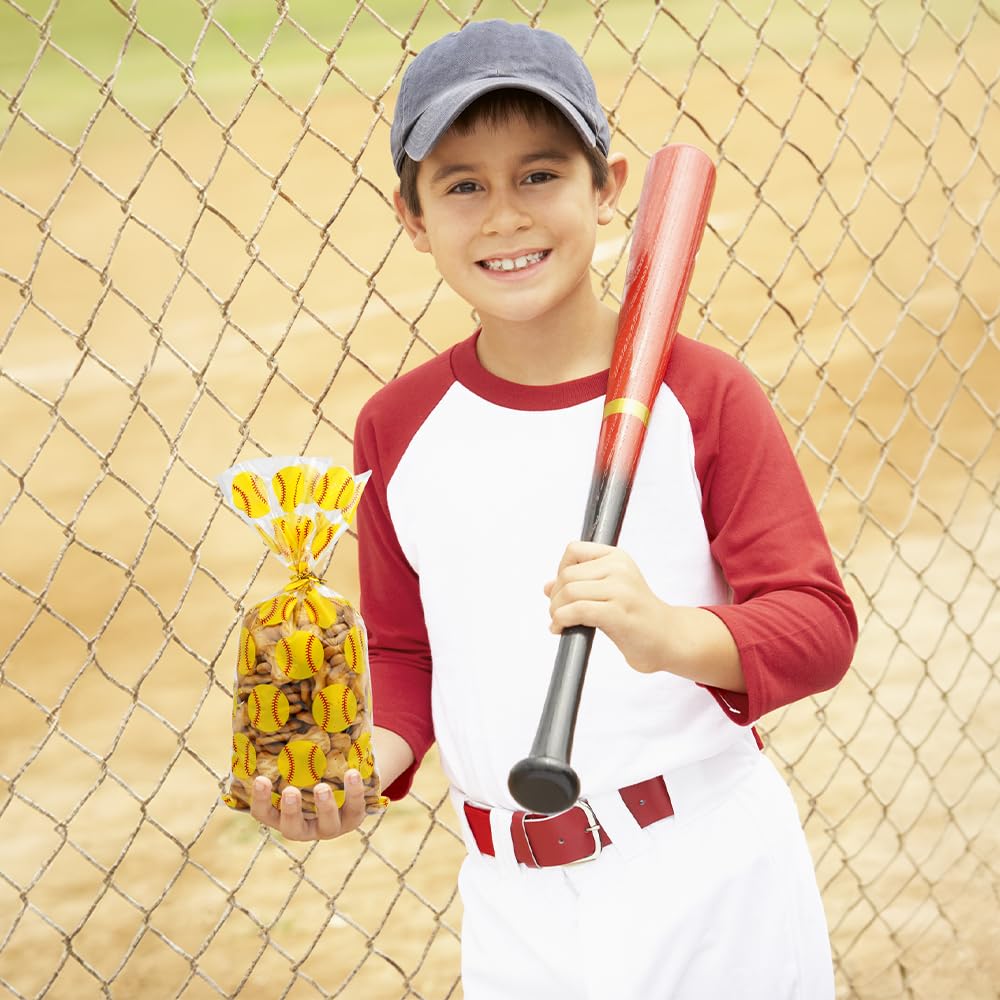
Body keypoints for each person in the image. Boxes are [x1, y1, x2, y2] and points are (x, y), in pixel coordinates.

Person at [251, 18, 857, 998]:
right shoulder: (398, 427)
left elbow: (818, 624)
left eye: (539, 174)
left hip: (706, 876)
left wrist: (670, 633)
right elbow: (406, 651)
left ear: (607, 185)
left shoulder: (700, 394)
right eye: (462, 185)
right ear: (411, 217)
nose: (504, 216)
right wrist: (365, 763)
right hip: (511, 904)